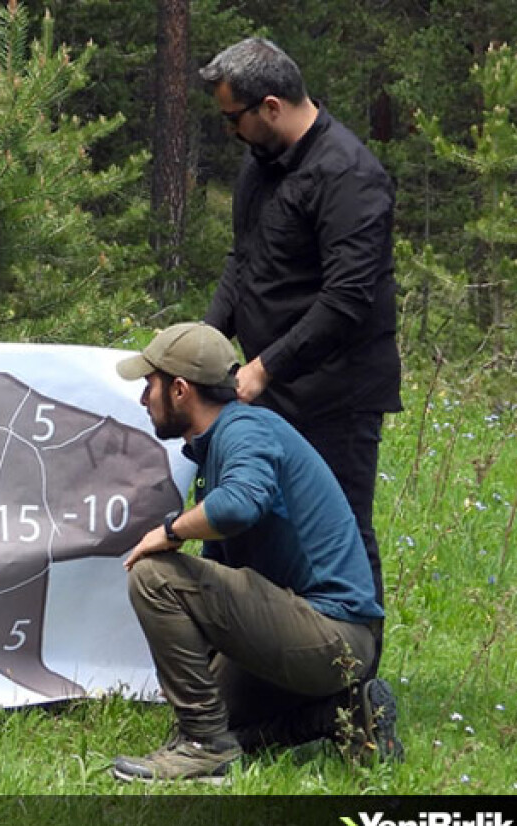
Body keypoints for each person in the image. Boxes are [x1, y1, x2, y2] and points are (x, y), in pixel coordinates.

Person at [110, 323, 402, 784]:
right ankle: (341, 716)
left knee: (154, 575)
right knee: (216, 716)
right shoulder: (218, 444)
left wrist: (170, 530)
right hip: (307, 633)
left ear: (180, 390)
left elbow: (242, 503)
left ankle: (204, 749)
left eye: (150, 385)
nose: (144, 398)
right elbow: (220, 581)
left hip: (332, 633)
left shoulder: (244, 430)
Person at [198, 38, 401, 665]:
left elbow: (348, 299)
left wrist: (264, 367)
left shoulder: (350, 175)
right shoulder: (260, 164)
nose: (229, 130)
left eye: (234, 117)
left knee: (337, 532)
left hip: (335, 394)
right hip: (266, 386)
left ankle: (357, 682)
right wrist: (202, 345)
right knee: (238, 515)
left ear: (271, 104)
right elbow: (244, 263)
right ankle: (222, 666)